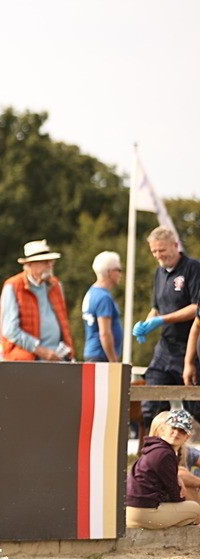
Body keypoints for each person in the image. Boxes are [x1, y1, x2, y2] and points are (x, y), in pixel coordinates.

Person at [132, 227, 200, 421]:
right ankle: (157, 449)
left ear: (175, 246)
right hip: (165, 349)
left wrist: (162, 320)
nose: (158, 255)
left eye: (162, 250)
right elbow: (156, 307)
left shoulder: (193, 269)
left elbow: (196, 308)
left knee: (195, 407)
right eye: (154, 251)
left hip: (190, 348)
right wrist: (145, 324)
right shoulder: (159, 272)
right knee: (151, 405)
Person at [0, 239, 74, 361]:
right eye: (44, 262)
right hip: (28, 361)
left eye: (51, 261)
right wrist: (40, 350)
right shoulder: (13, 286)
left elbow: (64, 322)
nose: (50, 265)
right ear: (29, 265)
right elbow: (10, 330)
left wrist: (68, 351)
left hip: (58, 357)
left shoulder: (56, 285)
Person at [125, 409, 200, 529]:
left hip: (130, 512)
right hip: (143, 513)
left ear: (187, 437)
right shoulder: (165, 454)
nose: (176, 433)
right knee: (194, 509)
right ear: (164, 429)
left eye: (181, 431)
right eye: (173, 428)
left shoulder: (154, 449)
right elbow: (175, 495)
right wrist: (180, 492)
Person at [80, 251, 123, 362]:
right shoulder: (104, 297)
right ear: (110, 272)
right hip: (101, 356)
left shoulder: (92, 292)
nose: (121, 274)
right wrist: (113, 361)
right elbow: (105, 333)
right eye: (119, 270)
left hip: (93, 353)